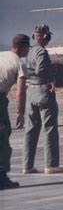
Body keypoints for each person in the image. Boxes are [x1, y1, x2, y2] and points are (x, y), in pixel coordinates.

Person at [23, 25, 63, 174]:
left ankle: (27, 165)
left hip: (31, 91)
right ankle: (51, 165)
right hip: (43, 91)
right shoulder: (41, 52)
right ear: (45, 36)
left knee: (31, 130)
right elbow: (41, 70)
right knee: (49, 129)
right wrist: (52, 75)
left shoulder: (29, 51)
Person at [0, 34, 30, 189]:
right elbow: (20, 92)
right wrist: (21, 113)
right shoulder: (19, 63)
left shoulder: (2, 55)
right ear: (23, 47)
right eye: (28, 48)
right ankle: (1, 177)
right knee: (2, 138)